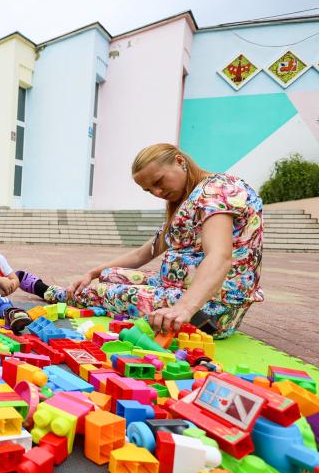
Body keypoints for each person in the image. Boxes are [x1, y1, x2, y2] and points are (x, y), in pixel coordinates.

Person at [23, 143, 264, 338]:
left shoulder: (216, 191)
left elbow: (219, 256)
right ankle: (82, 288)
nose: (158, 193)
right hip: (176, 289)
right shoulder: (188, 200)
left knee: (100, 291)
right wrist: (93, 271)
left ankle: (53, 292)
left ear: (180, 161)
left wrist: (184, 308)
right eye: (150, 190)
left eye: (158, 182)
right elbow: (143, 254)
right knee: (108, 275)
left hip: (209, 309)